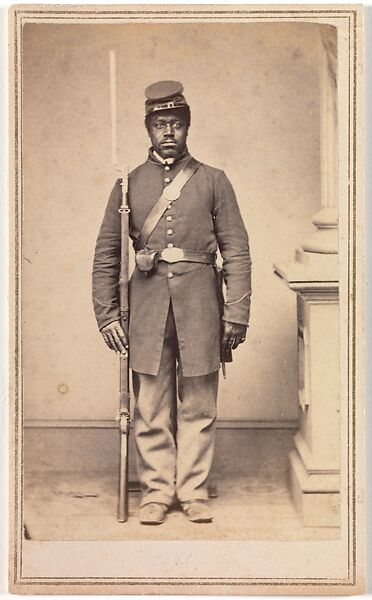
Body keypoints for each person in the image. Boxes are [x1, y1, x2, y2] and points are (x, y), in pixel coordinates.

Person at [92, 81, 252, 525]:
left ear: (187, 128)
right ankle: (157, 492)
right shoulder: (127, 186)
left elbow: (236, 249)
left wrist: (236, 311)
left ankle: (194, 490)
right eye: (160, 124)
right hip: (145, 307)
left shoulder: (214, 180)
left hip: (202, 303)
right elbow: (108, 253)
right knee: (151, 405)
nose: (168, 133)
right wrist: (107, 314)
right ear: (148, 129)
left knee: (199, 402)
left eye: (176, 124)